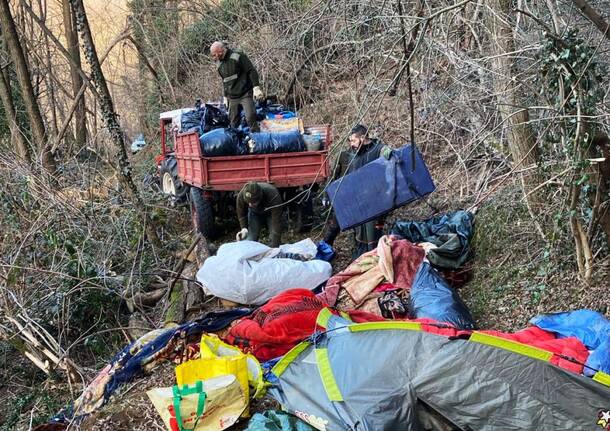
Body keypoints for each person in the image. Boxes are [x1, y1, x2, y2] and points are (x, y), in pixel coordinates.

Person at [322, 124, 392, 256]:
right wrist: (327, 195)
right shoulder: (345, 155)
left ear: (363, 137)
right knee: (335, 225)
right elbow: (333, 177)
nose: (351, 144)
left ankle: (368, 254)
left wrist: (387, 152)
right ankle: (324, 249)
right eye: (350, 141)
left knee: (367, 230)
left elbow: (384, 151)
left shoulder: (375, 150)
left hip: (369, 200)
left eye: (354, 140)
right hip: (346, 197)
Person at [210, 41, 263, 132]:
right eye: (213, 55)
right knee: (233, 122)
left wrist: (256, 87)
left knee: (250, 117)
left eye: (215, 55)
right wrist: (225, 96)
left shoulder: (237, 56)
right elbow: (225, 81)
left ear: (221, 51)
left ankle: (257, 140)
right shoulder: (219, 64)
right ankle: (237, 142)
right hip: (232, 97)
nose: (214, 57)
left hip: (245, 93)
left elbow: (251, 71)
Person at [235, 182, 283, 247]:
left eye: (253, 202)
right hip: (254, 213)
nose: (250, 204)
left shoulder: (273, 195)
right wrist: (244, 229)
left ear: (260, 197)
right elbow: (242, 214)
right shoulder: (241, 196)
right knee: (250, 239)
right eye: (248, 202)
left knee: (274, 238)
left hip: (271, 213)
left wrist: (275, 246)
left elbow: (277, 222)